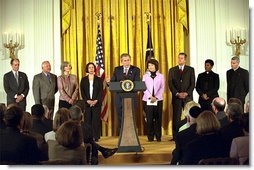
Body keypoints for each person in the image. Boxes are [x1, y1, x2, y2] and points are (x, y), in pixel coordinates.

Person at [106, 53, 141, 131]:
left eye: (128, 60)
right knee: (120, 116)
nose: (127, 62)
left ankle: (132, 134)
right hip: (119, 98)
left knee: (131, 116)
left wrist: (126, 83)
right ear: (121, 61)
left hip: (131, 97)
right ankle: (122, 134)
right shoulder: (117, 69)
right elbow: (113, 83)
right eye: (125, 61)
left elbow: (137, 82)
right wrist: (108, 82)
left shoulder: (136, 69)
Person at [168, 52, 195, 140]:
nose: (180, 59)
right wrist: (177, 93)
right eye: (179, 58)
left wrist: (187, 93)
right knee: (176, 117)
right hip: (177, 97)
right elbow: (170, 84)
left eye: (181, 58)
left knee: (189, 116)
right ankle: (175, 136)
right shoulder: (172, 70)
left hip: (187, 97)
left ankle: (190, 134)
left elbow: (192, 83)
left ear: (185, 59)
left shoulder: (190, 69)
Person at [142, 59, 164, 142]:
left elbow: (162, 87)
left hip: (158, 100)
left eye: (152, 65)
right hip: (148, 99)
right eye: (149, 66)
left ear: (156, 66)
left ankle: (158, 136)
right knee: (149, 119)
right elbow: (143, 87)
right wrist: (150, 96)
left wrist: (156, 97)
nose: (150, 67)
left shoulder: (161, 76)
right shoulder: (145, 76)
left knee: (158, 119)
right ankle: (150, 137)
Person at [80, 62, 103, 141]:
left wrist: (96, 100)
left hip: (97, 103)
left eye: (92, 67)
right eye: (89, 67)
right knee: (87, 120)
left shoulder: (99, 79)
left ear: (94, 69)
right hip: (87, 103)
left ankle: (96, 137)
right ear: (87, 69)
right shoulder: (83, 80)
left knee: (96, 120)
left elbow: (101, 91)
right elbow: (82, 92)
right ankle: (88, 137)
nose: (91, 69)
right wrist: (87, 101)